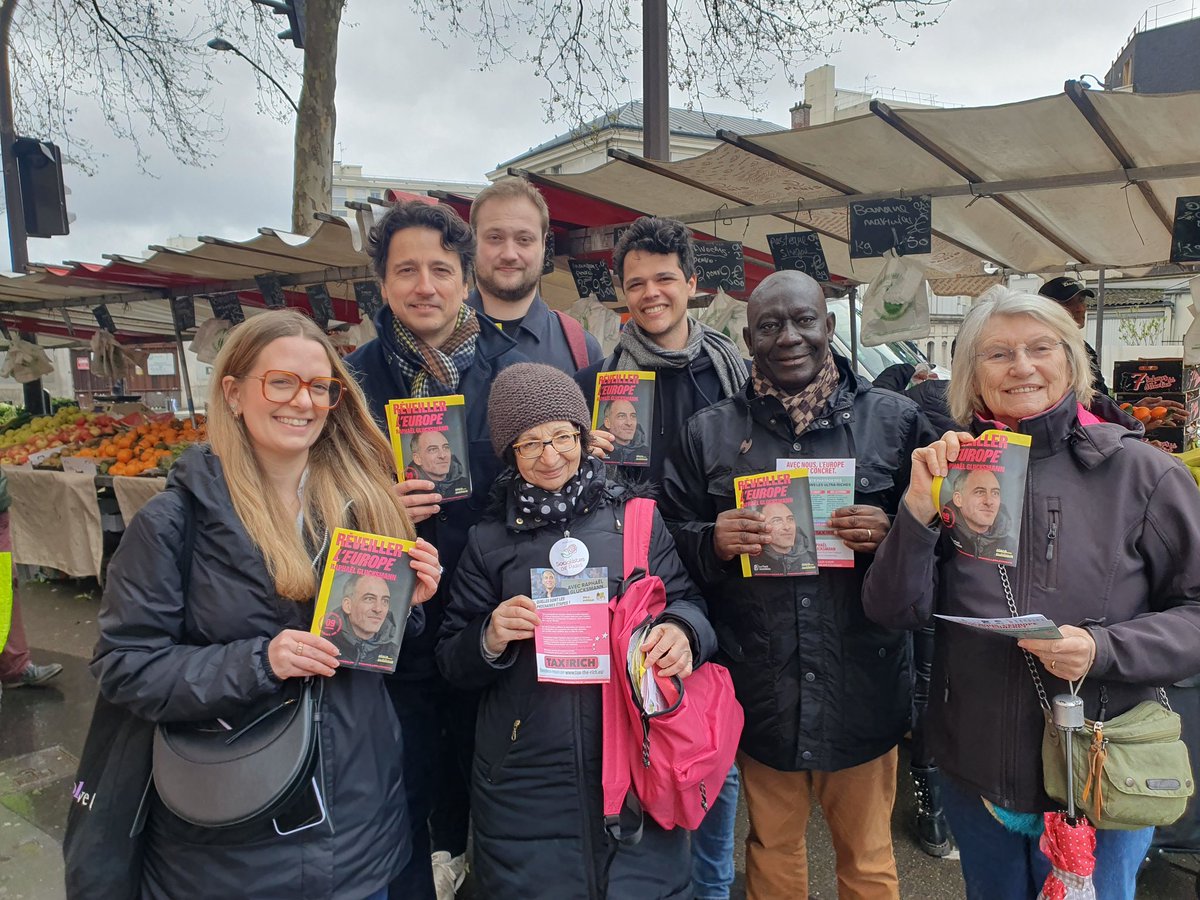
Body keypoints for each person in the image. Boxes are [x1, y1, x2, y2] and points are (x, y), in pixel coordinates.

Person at [89, 310, 442, 899]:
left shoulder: (364, 509)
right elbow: (124, 666)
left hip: (358, 829)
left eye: (320, 386)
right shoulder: (173, 524)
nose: (302, 402)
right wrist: (260, 661)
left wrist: (408, 603)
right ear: (233, 392)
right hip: (233, 840)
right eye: (281, 381)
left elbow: (377, 655)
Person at [863, 287, 1200, 900]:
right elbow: (892, 610)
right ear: (972, 376)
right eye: (998, 354)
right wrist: (915, 508)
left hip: (1097, 769)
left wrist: (1101, 648)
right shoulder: (952, 474)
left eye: (1041, 348)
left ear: (1072, 362)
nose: (1021, 366)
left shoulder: (1144, 475)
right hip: (976, 768)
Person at [660, 269, 937, 900]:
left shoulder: (894, 422)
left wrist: (897, 528)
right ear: (748, 337)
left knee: (867, 859)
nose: (788, 337)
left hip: (860, 681)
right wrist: (712, 539)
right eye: (769, 325)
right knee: (772, 851)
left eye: (804, 320)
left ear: (829, 326)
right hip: (762, 685)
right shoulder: (709, 433)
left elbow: (944, 541)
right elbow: (664, 538)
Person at [437, 362, 717, 898]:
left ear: (584, 437)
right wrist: (489, 636)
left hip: (638, 758)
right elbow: (452, 660)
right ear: (509, 455)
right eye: (530, 443)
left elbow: (688, 601)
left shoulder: (635, 518)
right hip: (525, 778)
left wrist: (683, 632)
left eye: (563, 436)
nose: (550, 455)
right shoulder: (487, 541)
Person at [343, 200, 526, 900]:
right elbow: (316, 502)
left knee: (501, 797)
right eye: (407, 270)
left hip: (493, 626)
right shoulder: (351, 383)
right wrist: (371, 506)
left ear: (466, 276)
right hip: (396, 634)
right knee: (407, 794)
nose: (425, 285)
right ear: (383, 285)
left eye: (441, 269)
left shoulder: (512, 371)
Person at [574, 216, 749, 899]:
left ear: (692, 284)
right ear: (622, 292)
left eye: (665, 279)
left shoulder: (733, 371)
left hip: (721, 575)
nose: (652, 293)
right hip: (640, 580)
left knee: (713, 743)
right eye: (637, 282)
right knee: (653, 729)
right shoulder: (598, 381)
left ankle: (711, 883)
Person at [468, 177, 602, 372]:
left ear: (543, 244)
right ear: (473, 240)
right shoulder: (432, 339)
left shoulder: (583, 350)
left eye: (524, 239)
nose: (509, 254)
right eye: (495, 238)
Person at [1038, 276, 1109, 396]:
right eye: (1068, 303)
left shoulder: (1083, 347)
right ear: (1047, 308)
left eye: (1081, 300)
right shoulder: (1043, 349)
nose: (1080, 309)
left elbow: (1098, 396)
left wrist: (1129, 407)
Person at [324, 573, 403, 671]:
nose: (378, 609)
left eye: (385, 601)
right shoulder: (323, 640)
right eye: (369, 599)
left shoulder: (393, 653)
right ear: (348, 605)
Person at [944, 467, 1011, 561]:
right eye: (980, 492)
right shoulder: (942, 536)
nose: (989, 501)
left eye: (995, 493)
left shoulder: (1011, 546)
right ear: (958, 499)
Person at [406, 431, 469, 498]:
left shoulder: (466, 485)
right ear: (417, 459)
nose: (442, 455)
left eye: (445, 447)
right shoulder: (408, 490)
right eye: (433, 449)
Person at [758, 501, 812, 575]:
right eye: (777, 521)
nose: (787, 527)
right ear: (761, 527)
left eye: (790, 519)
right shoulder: (751, 561)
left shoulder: (813, 560)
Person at [600, 398, 649, 464]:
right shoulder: (597, 449)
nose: (629, 423)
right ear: (607, 423)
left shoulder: (647, 453)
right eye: (621, 416)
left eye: (633, 416)